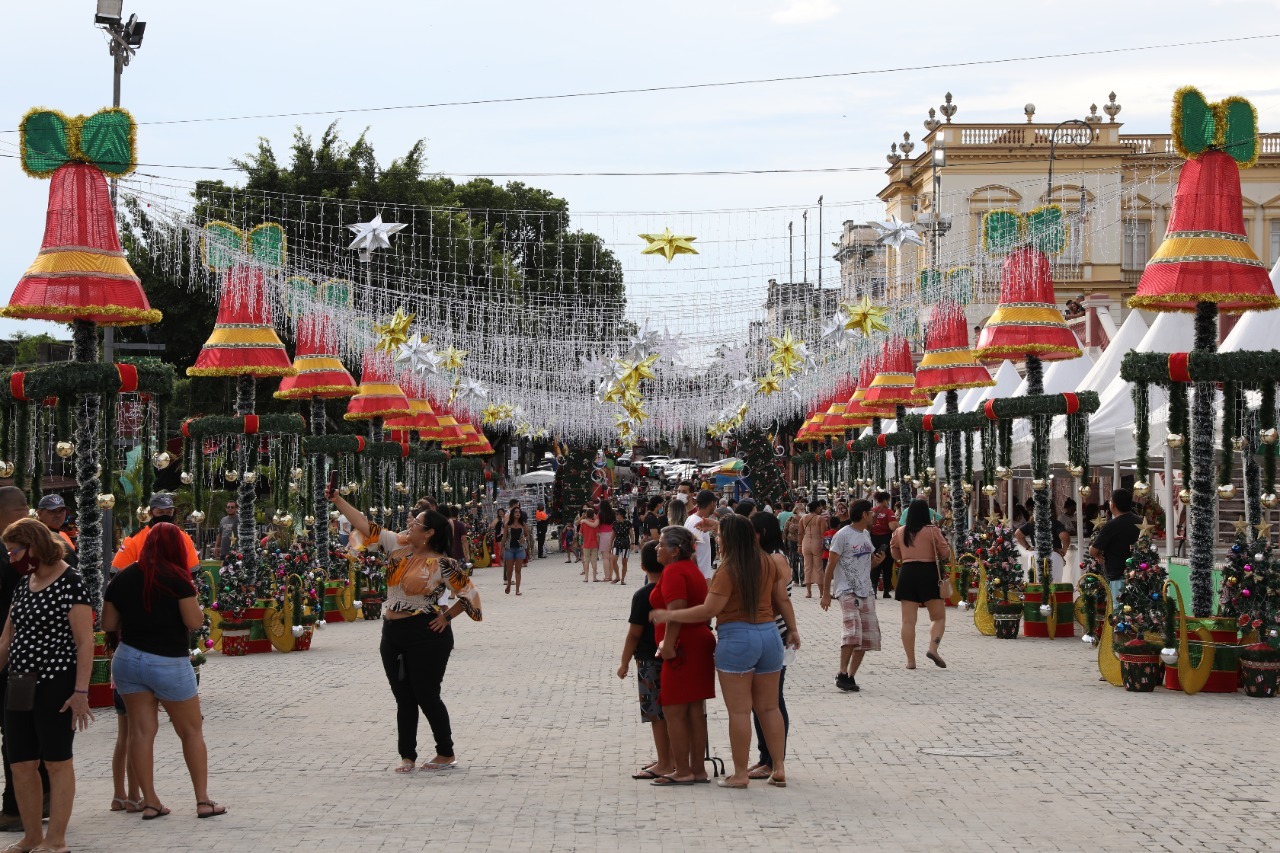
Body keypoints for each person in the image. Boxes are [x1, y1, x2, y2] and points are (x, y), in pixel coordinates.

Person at [329, 488, 482, 773]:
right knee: (404, 697)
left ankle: (445, 752)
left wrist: (447, 617)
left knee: (426, 694)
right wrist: (338, 501)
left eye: (417, 523)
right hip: (392, 633)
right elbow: (363, 524)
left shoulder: (443, 564)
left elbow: (470, 596)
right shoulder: (397, 546)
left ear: (429, 533)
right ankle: (407, 756)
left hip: (427, 634)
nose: (410, 524)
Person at [651, 515, 796, 789]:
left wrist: (669, 614)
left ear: (728, 539)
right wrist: (793, 629)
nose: (717, 540)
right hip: (769, 635)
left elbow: (709, 610)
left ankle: (740, 774)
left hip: (738, 637)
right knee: (769, 707)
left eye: (720, 536)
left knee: (740, 711)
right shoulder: (767, 561)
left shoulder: (729, 569)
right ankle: (778, 767)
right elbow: (781, 598)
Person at [102, 522, 226, 820]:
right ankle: (202, 801)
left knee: (140, 732)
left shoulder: (123, 577)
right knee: (191, 731)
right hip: (168, 660)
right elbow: (194, 622)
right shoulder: (177, 579)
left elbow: (108, 623)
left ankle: (150, 802)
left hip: (129, 659)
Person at [0, 517, 94, 853]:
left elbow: (85, 641)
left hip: (56, 682)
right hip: (19, 684)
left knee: (56, 761)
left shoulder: (71, 582)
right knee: (21, 763)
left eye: (15, 551)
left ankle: (56, 841)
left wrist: (80, 692)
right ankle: (32, 837)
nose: (11, 558)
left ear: (34, 546)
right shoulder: (23, 583)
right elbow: (6, 639)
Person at [646, 525, 716, 786]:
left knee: (673, 708)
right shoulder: (691, 569)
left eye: (661, 544)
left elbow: (675, 610)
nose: (657, 548)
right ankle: (697, 769)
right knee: (695, 710)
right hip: (697, 641)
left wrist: (668, 644)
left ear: (675, 551)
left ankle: (683, 769)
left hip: (682, 645)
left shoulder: (674, 571)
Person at [0, 488, 46, 833]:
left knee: (16, 735)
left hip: (14, 660)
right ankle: (39, 798)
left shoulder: (13, 553)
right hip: (36, 658)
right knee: (28, 733)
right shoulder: (45, 550)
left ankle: (17, 807)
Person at [617, 541, 672, 781]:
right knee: (671, 711)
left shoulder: (642, 595)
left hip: (648, 659)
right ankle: (671, 758)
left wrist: (624, 662)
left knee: (655, 713)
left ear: (642, 567)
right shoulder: (671, 589)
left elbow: (634, 634)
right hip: (670, 655)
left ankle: (664, 761)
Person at [746, 512, 793, 782]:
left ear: (762, 533)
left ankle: (774, 760)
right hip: (766, 631)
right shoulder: (766, 557)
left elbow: (779, 600)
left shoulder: (776, 558)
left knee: (772, 700)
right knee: (760, 701)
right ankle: (766, 757)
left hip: (774, 633)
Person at [821, 500, 884, 692]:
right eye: (871, 513)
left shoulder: (866, 535)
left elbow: (867, 564)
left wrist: (878, 561)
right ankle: (841, 672)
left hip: (866, 590)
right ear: (864, 514)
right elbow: (830, 566)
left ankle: (850, 676)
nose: (873, 516)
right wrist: (825, 593)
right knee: (852, 631)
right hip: (846, 589)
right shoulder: (842, 535)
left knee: (866, 636)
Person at [890, 499, 953, 670]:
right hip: (928, 572)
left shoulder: (900, 531)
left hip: (907, 572)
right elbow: (945, 552)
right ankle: (933, 648)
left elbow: (894, 554)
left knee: (908, 621)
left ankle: (910, 661)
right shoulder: (932, 530)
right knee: (938, 617)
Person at [113, 493, 200, 573]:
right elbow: (116, 572)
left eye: (169, 512)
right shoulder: (135, 539)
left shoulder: (184, 537)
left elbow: (193, 571)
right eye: (160, 512)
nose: (165, 516)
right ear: (150, 513)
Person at [1090, 488, 1141, 603]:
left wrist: (1097, 555)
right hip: (1140, 575)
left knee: (1119, 610)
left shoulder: (1111, 525)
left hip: (1118, 577)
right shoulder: (1141, 522)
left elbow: (1093, 550)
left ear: (1113, 504)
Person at [683, 490, 719, 580]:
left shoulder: (691, 518)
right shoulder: (698, 523)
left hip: (698, 576)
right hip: (700, 577)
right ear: (711, 503)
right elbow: (691, 552)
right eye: (715, 503)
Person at [869, 491, 897, 599]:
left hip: (873, 539)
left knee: (875, 564)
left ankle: (873, 589)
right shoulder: (889, 512)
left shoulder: (872, 511)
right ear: (885, 500)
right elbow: (892, 527)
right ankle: (886, 591)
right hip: (885, 540)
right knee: (887, 565)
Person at [35, 495, 77, 568]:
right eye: (52, 511)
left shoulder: (62, 534)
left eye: (62, 511)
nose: (58, 515)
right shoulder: (37, 537)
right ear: (39, 513)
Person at [799, 499, 827, 598]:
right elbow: (823, 534)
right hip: (817, 543)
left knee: (807, 567)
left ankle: (808, 592)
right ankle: (821, 592)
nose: (821, 509)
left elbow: (800, 533)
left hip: (805, 543)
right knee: (818, 567)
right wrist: (825, 546)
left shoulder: (803, 518)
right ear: (816, 508)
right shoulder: (820, 519)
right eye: (819, 507)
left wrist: (799, 545)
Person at [501, 499, 527, 596]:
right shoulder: (507, 525)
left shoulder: (523, 524)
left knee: (518, 570)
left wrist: (524, 538)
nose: (517, 513)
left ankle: (517, 589)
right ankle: (508, 584)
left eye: (519, 512)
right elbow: (504, 538)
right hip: (509, 548)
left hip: (520, 548)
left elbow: (527, 534)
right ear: (512, 514)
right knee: (509, 570)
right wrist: (501, 549)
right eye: (515, 512)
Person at [597, 501, 617, 583]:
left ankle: (607, 577)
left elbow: (597, 525)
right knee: (611, 557)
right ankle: (611, 576)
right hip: (613, 534)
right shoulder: (613, 513)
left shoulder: (600, 514)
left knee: (605, 557)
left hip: (603, 535)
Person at [580, 508, 601, 582]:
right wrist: (598, 544)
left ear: (586, 515)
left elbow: (580, 534)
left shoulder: (583, 524)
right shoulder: (595, 524)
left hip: (586, 544)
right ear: (593, 515)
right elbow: (597, 535)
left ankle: (586, 577)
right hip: (594, 544)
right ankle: (594, 577)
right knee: (594, 561)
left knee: (586, 561)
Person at [612, 511, 632, 585]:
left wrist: (632, 542)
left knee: (624, 561)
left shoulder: (628, 523)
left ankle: (622, 579)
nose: (616, 515)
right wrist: (610, 543)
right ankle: (617, 576)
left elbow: (631, 533)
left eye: (618, 514)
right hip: (617, 542)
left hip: (625, 543)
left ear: (621, 515)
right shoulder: (615, 523)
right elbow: (613, 534)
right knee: (614, 560)